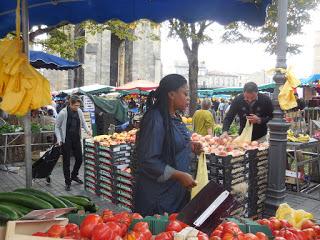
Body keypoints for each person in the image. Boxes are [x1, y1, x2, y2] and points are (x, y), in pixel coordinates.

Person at [133, 74, 202, 216]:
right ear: (171, 94)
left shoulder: (175, 117)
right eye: (185, 93)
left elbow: (172, 144)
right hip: (158, 199)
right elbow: (148, 161)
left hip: (175, 195)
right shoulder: (155, 119)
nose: (188, 98)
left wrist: (190, 146)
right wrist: (179, 175)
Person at [55, 95, 92, 191]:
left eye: (78, 105)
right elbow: (57, 127)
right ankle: (68, 182)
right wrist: (59, 139)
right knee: (66, 162)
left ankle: (74, 175)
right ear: (70, 104)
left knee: (79, 159)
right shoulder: (63, 113)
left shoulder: (79, 111)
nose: (77, 107)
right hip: (66, 139)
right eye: (75, 105)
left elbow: (83, 123)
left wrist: (88, 130)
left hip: (76, 138)